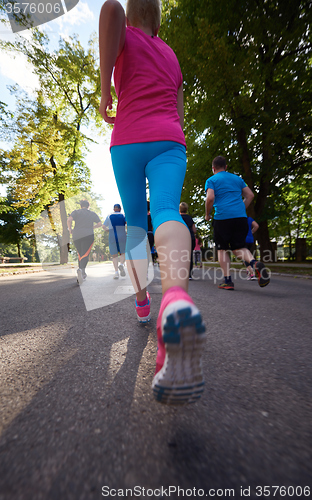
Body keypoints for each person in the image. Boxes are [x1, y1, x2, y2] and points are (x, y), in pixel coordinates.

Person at [99, 0, 206, 405]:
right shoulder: (171, 55)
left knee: (137, 229)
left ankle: (144, 305)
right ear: (158, 16)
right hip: (168, 140)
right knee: (165, 211)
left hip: (126, 139)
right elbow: (179, 113)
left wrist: (105, 90)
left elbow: (108, 8)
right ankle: (176, 299)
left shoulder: (124, 34)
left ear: (132, 14)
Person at [205, 156, 270, 290]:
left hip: (222, 218)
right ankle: (254, 262)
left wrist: (207, 214)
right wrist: (241, 208)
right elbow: (250, 195)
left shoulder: (211, 180)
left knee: (222, 249)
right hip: (240, 218)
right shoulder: (237, 179)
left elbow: (210, 197)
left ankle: (228, 281)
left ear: (213, 168)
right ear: (226, 167)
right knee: (239, 248)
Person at [67, 200, 102, 284]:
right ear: (88, 206)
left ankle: (81, 272)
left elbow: (69, 220)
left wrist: (70, 229)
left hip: (77, 234)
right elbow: (100, 224)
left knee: (80, 254)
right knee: (85, 254)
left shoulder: (76, 212)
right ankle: (82, 271)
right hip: (88, 235)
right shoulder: (92, 213)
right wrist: (92, 227)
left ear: (81, 206)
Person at [103, 204, 126, 279]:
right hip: (122, 236)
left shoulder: (109, 216)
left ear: (114, 209)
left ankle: (116, 272)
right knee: (123, 253)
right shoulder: (123, 215)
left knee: (114, 255)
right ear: (120, 209)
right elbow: (128, 224)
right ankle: (121, 264)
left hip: (112, 237)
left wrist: (108, 230)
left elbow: (103, 226)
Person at [179, 202, 196, 279]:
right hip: (190, 238)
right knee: (189, 256)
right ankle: (189, 274)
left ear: (179, 209)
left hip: (181, 238)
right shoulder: (190, 218)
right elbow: (194, 230)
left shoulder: (178, 217)